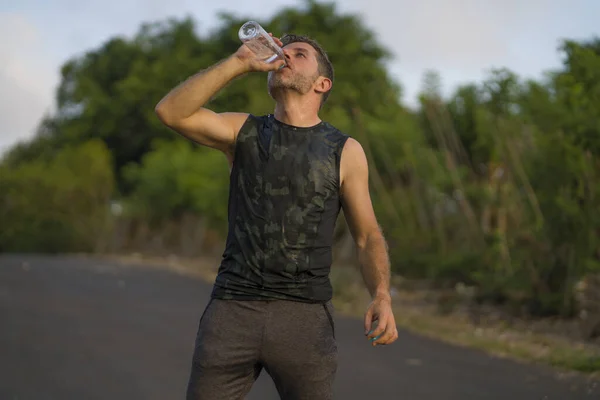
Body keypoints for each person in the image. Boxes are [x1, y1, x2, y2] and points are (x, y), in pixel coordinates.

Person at [155, 31, 398, 400]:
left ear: (322, 83)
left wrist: (382, 295)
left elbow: (367, 236)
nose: (285, 56)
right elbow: (171, 112)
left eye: (299, 54)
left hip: (304, 318)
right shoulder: (243, 131)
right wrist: (237, 63)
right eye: (282, 51)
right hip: (232, 309)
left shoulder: (345, 150)